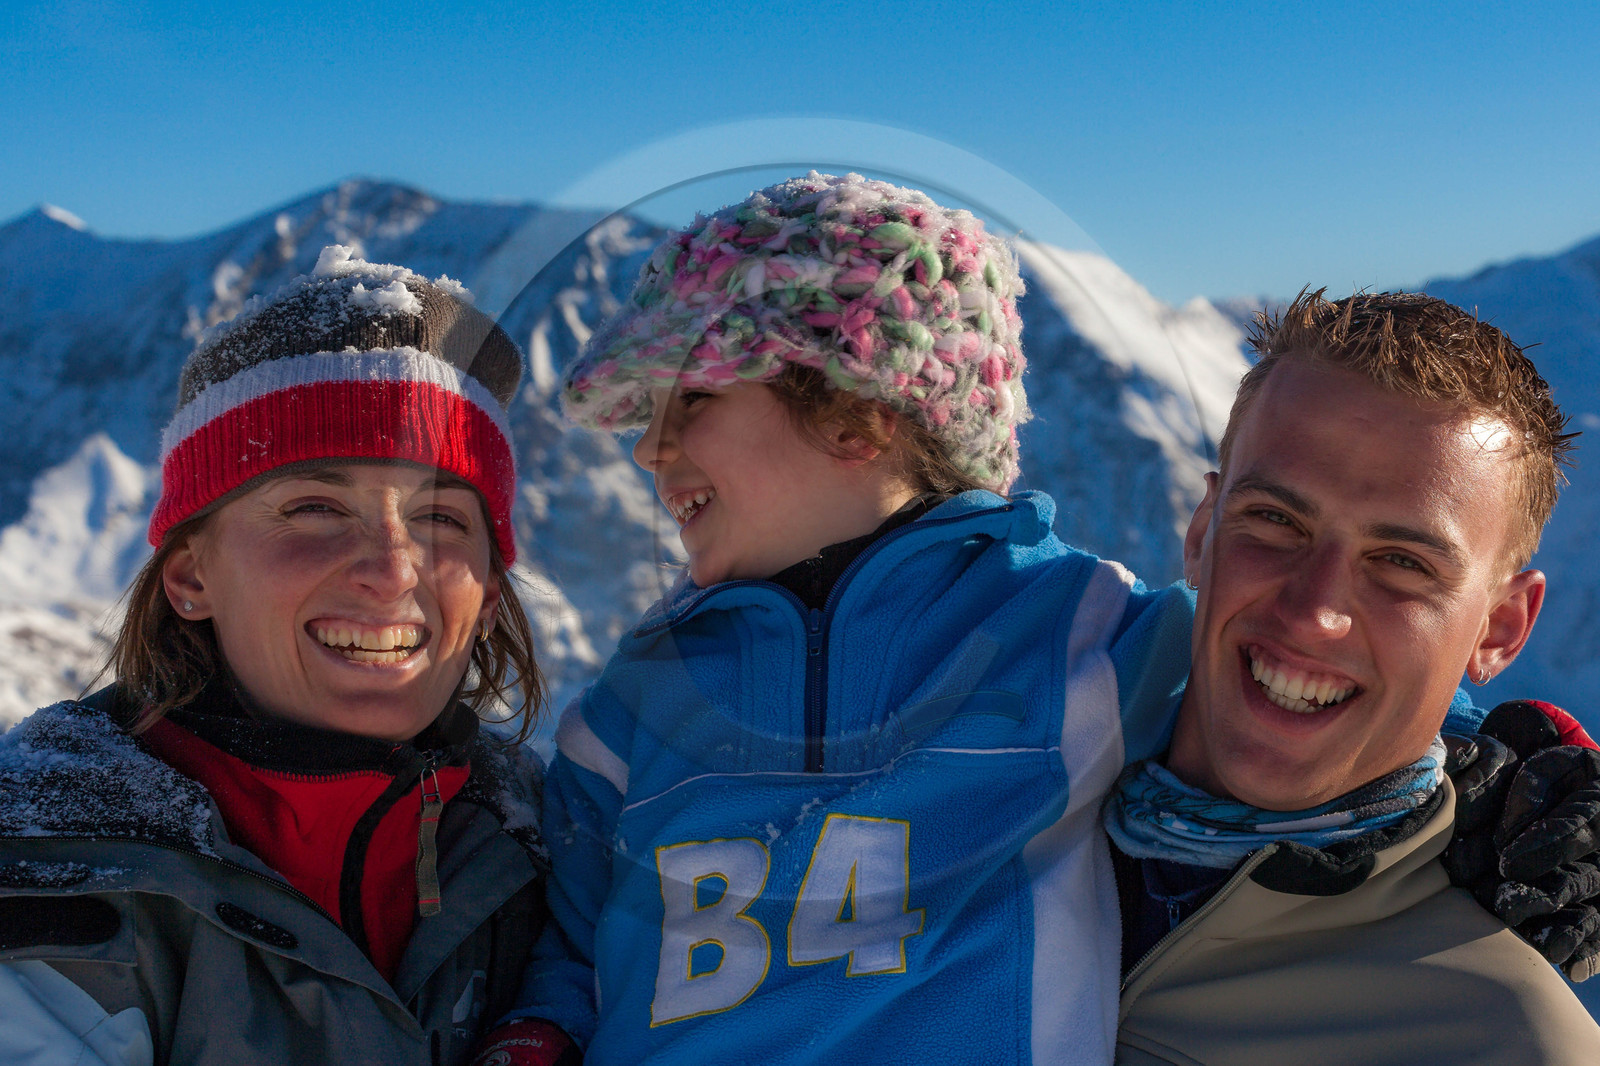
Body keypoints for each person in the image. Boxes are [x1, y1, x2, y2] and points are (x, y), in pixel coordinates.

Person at [475, 175, 1600, 1066]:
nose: (651, 450)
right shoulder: (623, 714)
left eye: (695, 401)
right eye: (1273, 522)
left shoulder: (1068, 634)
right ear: (1203, 528)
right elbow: (567, 932)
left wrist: (1508, 781)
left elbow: (1309, 705)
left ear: (859, 415)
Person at [0, 247, 550, 1065]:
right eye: (316, 507)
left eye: (441, 519)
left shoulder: (555, 850)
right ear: (190, 575)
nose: (393, 569)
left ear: (491, 593)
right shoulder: (53, 882)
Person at [1108, 291, 1600, 1063]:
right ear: (1203, 533)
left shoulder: (1498, 1040)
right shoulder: (981, 802)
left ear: (1499, 628)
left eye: (1402, 564)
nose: (1314, 612)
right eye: (1276, 521)